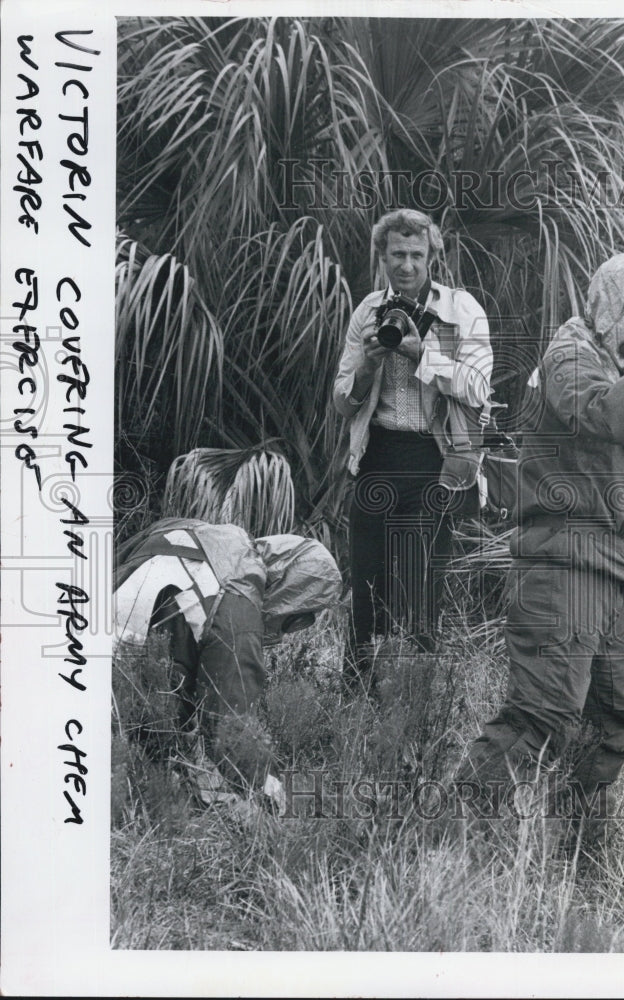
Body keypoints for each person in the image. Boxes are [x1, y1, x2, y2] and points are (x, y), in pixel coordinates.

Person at [457, 252, 624, 840]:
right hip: (561, 568)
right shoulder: (570, 356)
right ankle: (450, 843)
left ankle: (581, 854)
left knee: (610, 723)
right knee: (542, 715)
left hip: (604, 572)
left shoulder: (608, 367)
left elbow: (606, 477)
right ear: (605, 305)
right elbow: (606, 419)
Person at [332, 209, 493, 694]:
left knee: (421, 589)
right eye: (397, 254)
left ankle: (414, 699)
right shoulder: (368, 312)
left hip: (435, 460)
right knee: (367, 584)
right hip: (377, 455)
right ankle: (357, 693)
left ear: (432, 257)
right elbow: (342, 401)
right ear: (382, 257)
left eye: (416, 255)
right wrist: (368, 365)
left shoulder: (461, 310)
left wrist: (421, 353)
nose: (407, 265)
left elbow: (478, 386)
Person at [113, 517, 342, 809]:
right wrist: (267, 786)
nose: (289, 629)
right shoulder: (238, 603)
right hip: (116, 714)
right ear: (293, 588)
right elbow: (229, 727)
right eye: (300, 616)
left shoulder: (188, 530)